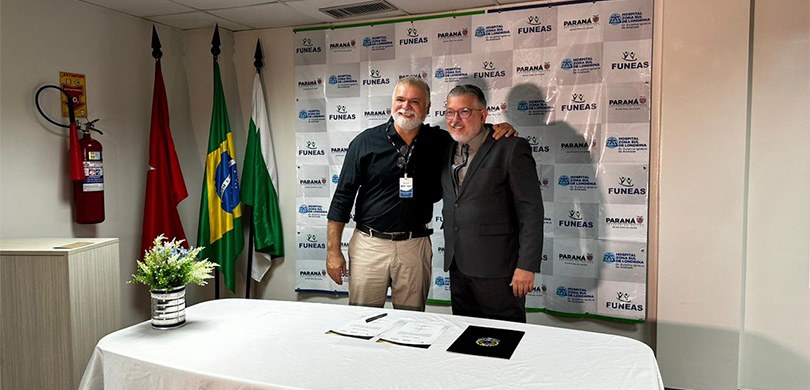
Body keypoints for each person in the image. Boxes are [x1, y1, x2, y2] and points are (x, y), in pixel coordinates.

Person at [326, 76, 514, 311]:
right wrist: (333, 251)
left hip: (415, 246)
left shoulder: (442, 142)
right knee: (363, 321)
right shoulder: (364, 143)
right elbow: (342, 199)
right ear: (392, 104)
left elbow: (471, 132)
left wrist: (498, 129)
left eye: (415, 101)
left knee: (411, 323)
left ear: (427, 108)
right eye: (400, 99)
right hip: (369, 245)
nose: (406, 106)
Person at [440, 84, 544, 323]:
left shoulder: (510, 147)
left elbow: (531, 211)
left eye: (464, 111)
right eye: (450, 112)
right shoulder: (445, 147)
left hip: (499, 271)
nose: (455, 119)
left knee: (504, 342)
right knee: (464, 340)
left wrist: (526, 266)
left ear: (483, 114)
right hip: (458, 266)